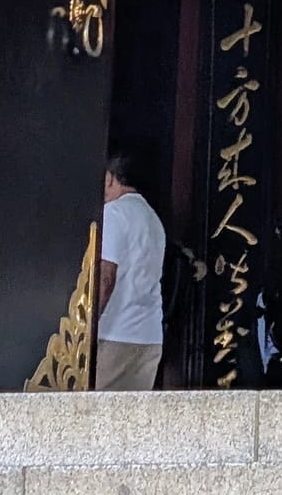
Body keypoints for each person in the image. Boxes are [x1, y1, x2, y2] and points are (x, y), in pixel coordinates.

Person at [95, 153, 168, 391]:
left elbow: (106, 278)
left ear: (111, 179)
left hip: (115, 334)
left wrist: (89, 326)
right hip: (149, 337)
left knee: (95, 416)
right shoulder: (153, 219)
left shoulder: (115, 213)